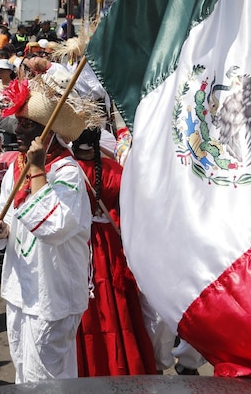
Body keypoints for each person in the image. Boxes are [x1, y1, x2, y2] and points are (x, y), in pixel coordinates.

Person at [0, 72, 95, 382]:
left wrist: (36, 169)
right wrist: (1, 230)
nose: (18, 130)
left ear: (49, 133)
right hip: (21, 287)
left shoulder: (67, 172)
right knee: (24, 372)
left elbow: (55, 228)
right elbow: (11, 219)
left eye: (28, 125)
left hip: (53, 292)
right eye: (19, 122)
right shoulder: (16, 168)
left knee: (46, 378)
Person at [71, 128, 157, 377]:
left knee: (87, 306)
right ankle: (125, 363)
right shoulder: (115, 172)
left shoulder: (68, 172)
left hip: (81, 242)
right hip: (110, 242)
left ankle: (88, 366)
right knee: (118, 305)